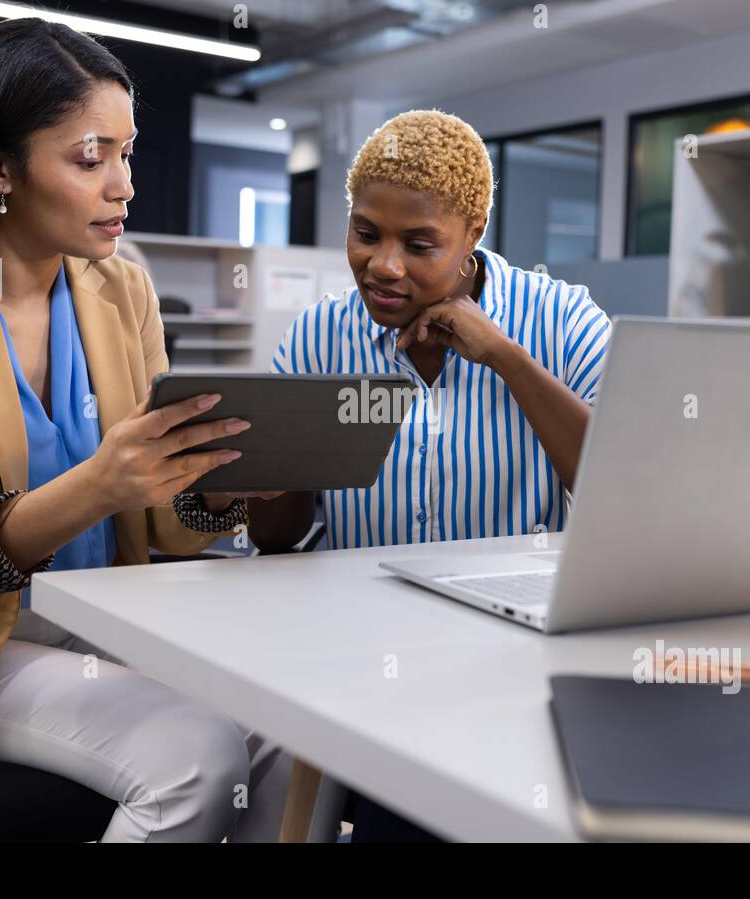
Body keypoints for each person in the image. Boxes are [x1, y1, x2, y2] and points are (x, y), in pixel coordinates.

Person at [0, 17, 288, 842]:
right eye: (90, 158)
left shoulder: (123, 291)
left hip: (106, 623)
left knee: (294, 729)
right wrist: (97, 487)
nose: (124, 186)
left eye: (128, 152)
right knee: (196, 754)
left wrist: (213, 487)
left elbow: (168, 536)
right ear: (0, 166)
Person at [249, 108, 612, 839]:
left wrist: (507, 358)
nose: (384, 265)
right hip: (366, 655)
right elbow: (277, 539)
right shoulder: (319, 337)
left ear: (473, 232)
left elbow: (617, 488)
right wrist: (264, 470)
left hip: (518, 659)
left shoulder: (562, 318)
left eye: (419, 244)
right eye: (365, 234)